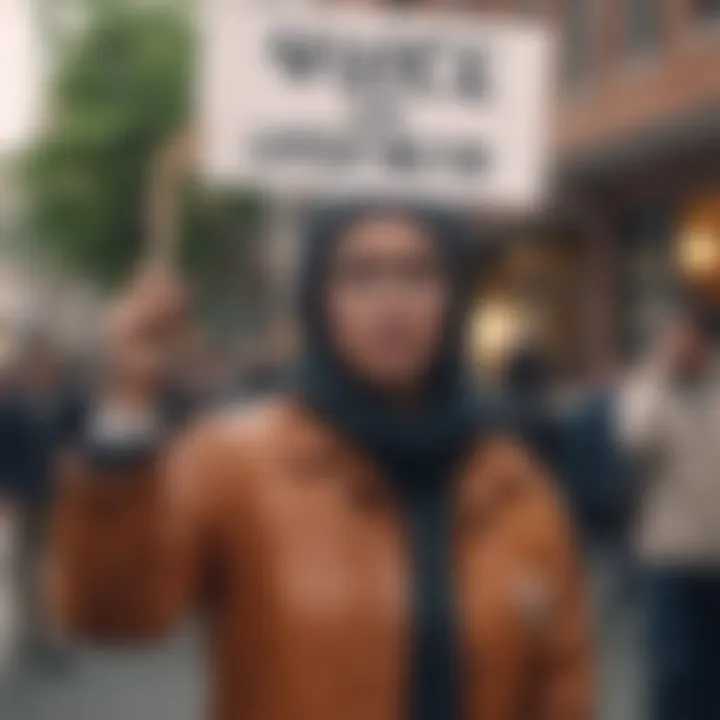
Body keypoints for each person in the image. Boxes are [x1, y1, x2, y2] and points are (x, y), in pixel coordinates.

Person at [49, 203, 592, 720]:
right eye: (359, 274)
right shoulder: (234, 462)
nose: (392, 299)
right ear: (317, 298)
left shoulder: (517, 485)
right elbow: (114, 614)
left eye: (420, 273)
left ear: (454, 298)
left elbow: (560, 688)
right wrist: (127, 406)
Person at [617, 303, 720, 720]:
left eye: (687, 338)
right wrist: (660, 373)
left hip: (715, 555)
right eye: (672, 338)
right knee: (672, 669)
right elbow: (633, 438)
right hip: (667, 556)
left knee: (712, 672)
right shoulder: (650, 389)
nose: (680, 346)